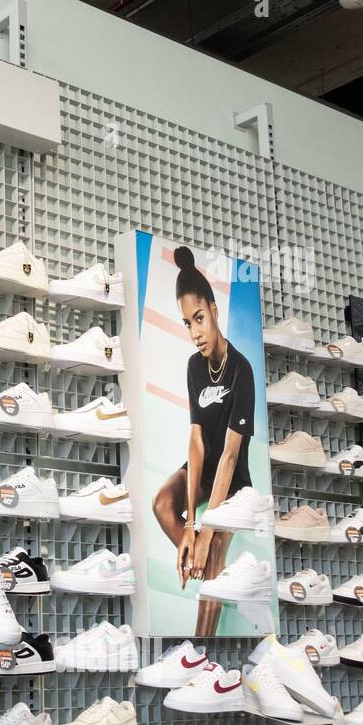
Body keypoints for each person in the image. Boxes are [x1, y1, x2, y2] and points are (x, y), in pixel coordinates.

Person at [151, 246, 255, 635]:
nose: (195, 333)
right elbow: (196, 443)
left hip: (233, 481)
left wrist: (208, 530)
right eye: (186, 324)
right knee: (162, 502)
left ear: (213, 310)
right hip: (203, 468)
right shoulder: (195, 366)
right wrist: (190, 530)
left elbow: (229, 456)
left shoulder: (241, 369)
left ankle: (202, 646)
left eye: (199, 319)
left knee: (213, 551)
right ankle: (195, 557)